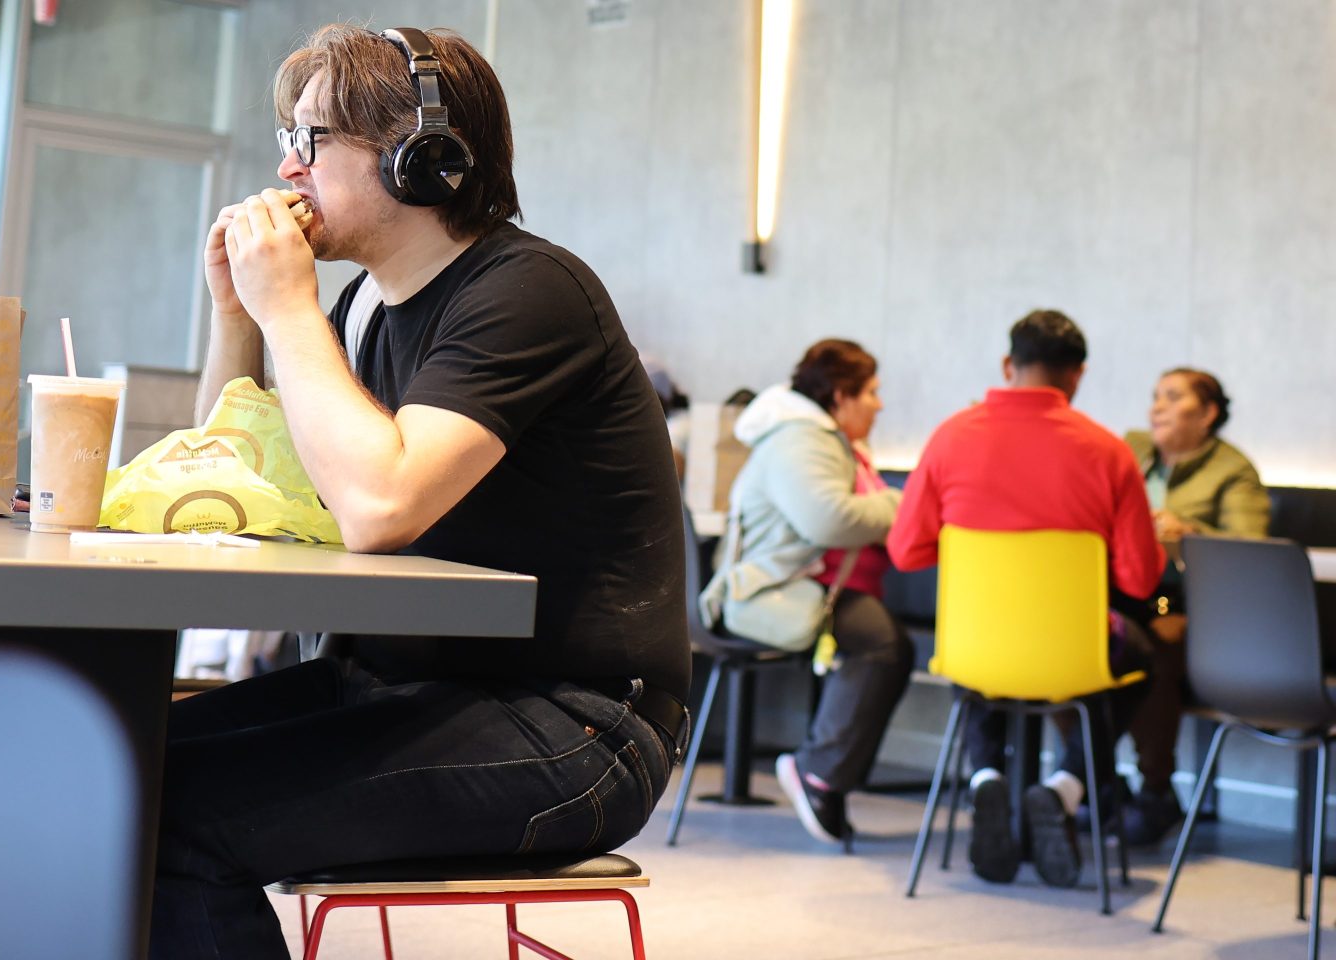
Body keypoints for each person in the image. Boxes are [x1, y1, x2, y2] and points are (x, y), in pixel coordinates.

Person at [153, 25, 688, 959]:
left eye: (313, 141)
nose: (288, 167)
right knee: (125, 778)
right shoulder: (363, 308)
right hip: (399, 688)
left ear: (422, 158)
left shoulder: (529, 291)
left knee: (179, 823)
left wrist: (289, 309)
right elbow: (228, 484)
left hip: (577, 726)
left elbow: (378, 506)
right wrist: (239, 316)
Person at [887, 310, 1164, 889]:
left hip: (973, 651)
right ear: (1078, 376)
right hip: (1073, 657)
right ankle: (1064, 788)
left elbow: (907, 552)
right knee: (1141, 654)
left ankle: (986, 777)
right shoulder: (1109, 453)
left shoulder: (950, 437)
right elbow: (1141, 582)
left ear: (1009, 365)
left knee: (980, 656)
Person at [700, 339, 912, 847]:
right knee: (884, 643)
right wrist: (898, 503)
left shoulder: (817, 436)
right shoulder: (802, 438)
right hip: (766, 592)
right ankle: (818, 772)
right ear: (840, 396)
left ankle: (826, 771)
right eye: (873, 393)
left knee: (885, 639)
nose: (880, 405)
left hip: (793, 584)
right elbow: (831, 519)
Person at [1114, 368, 1269, 844]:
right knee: (1076, 639)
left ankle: (1156, 791)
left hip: (1189, 604)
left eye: (1173, 397)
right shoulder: (1131, 450)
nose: (1156, 407)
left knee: (1157, 647)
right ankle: (1090, 780)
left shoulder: (1232, 470)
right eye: (1155, 396)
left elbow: (1251, 552)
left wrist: (1192, 533)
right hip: (1126, 592)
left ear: (1207, 414)